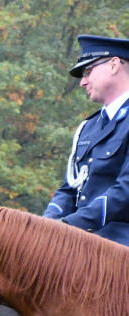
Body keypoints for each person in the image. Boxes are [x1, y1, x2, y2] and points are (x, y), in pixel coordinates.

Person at [44, 34, 129, 245]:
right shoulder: (88, 127)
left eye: (88, 71)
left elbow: (125, 189)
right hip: (82, 240)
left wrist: (69, 226)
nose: (83, 82)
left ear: (114, 65)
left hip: (120, 243)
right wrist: (45, 226)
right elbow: (69, 188)